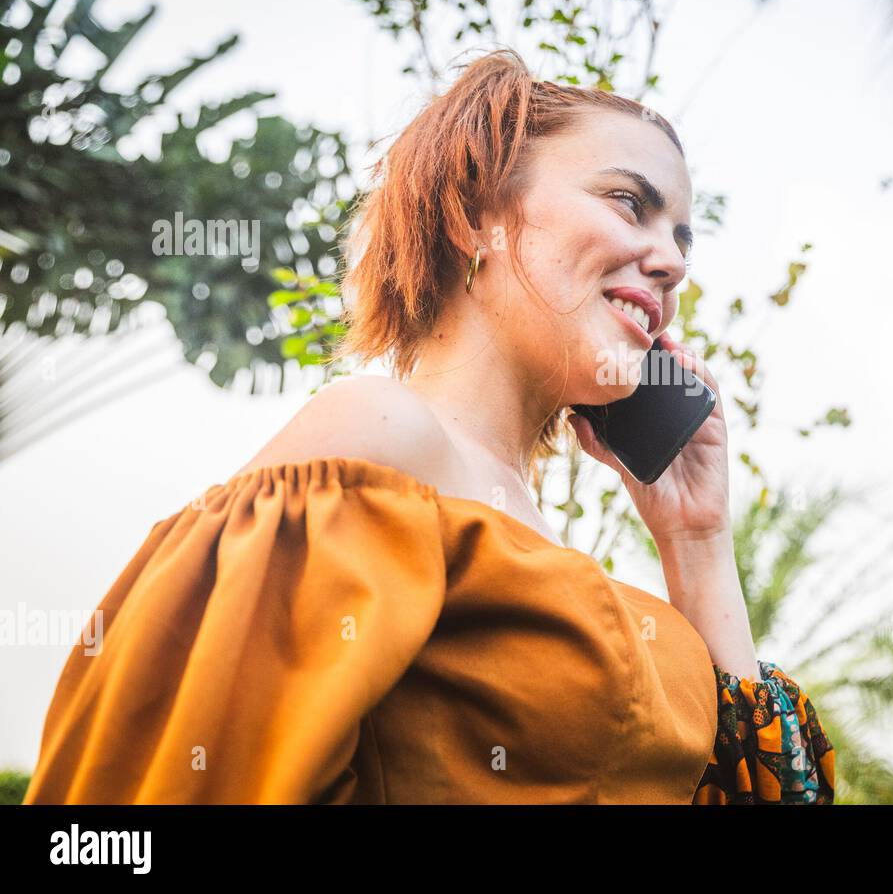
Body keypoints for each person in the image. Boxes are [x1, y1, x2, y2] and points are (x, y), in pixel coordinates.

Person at [23, 48, 835, 804]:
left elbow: (767, 792)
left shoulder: (540, 536)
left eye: (681, 237)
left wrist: (696, 538)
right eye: (630, 203)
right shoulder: (378, 430)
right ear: (475, 214)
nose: (672, 260)